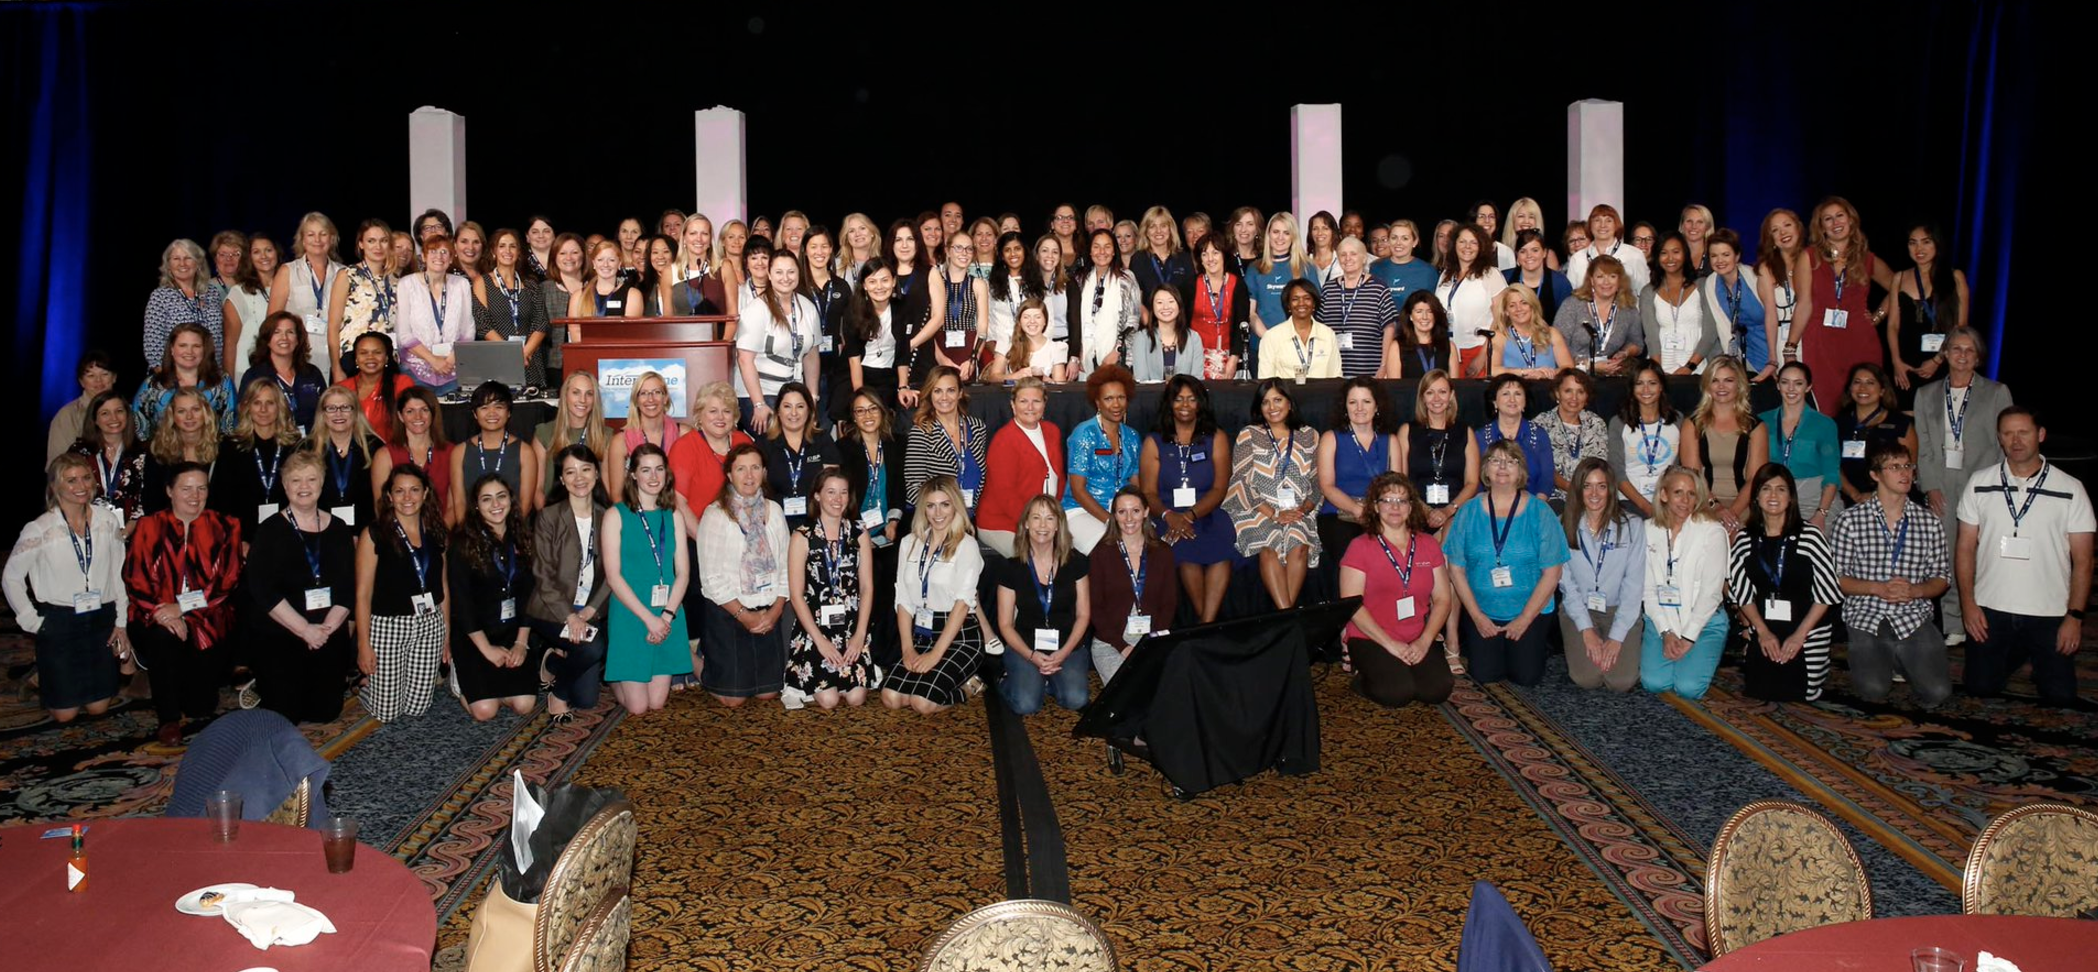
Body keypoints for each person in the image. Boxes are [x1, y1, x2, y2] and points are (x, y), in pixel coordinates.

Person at [1955, 407, 2094, 707]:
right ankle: (2019, 650)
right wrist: (1968, 604)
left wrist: (2075, 617)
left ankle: (2032, 650)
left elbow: (2084, 561)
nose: (2016, 440)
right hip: (1991, 607)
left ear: (2040, 435)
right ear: (1999, 439)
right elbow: (1965, 548)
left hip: (2050, 612)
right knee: (1980, 688)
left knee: (2060, 696)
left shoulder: (2071, 489)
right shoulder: (1979, 482)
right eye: (2008, 433)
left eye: (2023, 432)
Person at [3, 455, 131, 723]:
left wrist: (121, 622)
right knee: (65, 715)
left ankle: (48, 680)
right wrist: (33, 622)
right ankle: (40, 679)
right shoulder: (39, 528)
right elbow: (11, 577)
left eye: (85, 478)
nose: (81, 485)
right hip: (59, 620)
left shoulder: (107, 521)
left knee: (98, 709)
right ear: (55, 486)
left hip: (101, 618)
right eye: (71, 480)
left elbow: (118, 574)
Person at [124, 462, 242, 744]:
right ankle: (168, 719)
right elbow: (135, 578)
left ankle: (182, 684)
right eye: (186, 488)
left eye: (201, 488)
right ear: (169, 491)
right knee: (163, 638)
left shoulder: (227, 526)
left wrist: (183, 609)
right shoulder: (149, 526)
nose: (195, 495)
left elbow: (228, 580)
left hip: (208, 617)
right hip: (155, 615)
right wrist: (164, 613)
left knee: (200, 706)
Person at [1832, 440, 1954, 707]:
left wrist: (1916, 591)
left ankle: (1901, 655)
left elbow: (1942, 577)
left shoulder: (1929, 522)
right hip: (1866, 615)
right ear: (1875, 475)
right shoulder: (1850, 520)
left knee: (1938, 693)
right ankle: (1892, 656)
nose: (1905, 473)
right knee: (1874, 690)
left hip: (1913, 615)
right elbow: (1836, 580)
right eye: (1895, 467)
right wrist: (1877, 588)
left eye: (1908, 466)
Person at [244, 452, 355, 723]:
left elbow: (348, 585)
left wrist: (324, 631)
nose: (304, 487)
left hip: (327, 631)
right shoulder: (269, 531)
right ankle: (264, 682)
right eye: (296, 480)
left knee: (324, 713)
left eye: (311, 479)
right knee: (284, 716)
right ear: (285, 485)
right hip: (281, 632)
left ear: (322, 483)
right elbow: (263, 591)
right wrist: (304, 630)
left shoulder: (339, 529)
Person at [1914, 328, 2009, 643]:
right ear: (1946, 354)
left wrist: (1996, 484)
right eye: (1956, 349)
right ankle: (1954, 623)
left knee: (1984, 551)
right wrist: (1929, 486)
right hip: (1942, 482)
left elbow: (2003, 442)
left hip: (1983, 482)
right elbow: (1924, 445)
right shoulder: (1926, 394)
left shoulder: (1996, 392)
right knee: (1949, 551)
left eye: (1970, 350)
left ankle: (1990, 614)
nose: (1963, 355)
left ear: (1978, 357)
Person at [1445, 441, 1567, 686]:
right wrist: (1477, 616)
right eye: (1495, 460)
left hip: (1530, 611)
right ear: (1486, 470)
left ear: (1521, 470)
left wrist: (1524, 619)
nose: (1502, 467)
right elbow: (1456, 569)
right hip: (1483, 612)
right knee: (1485, 675)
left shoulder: (1540, 512)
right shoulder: (1468, 512)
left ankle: (1534, 643)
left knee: (1526, 677)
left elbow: (1552, 574)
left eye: (1511, 461)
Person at [1728, 464, 1843, 702]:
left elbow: (1827, 594)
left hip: (1807, 626)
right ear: (1756, 497)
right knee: (1760, 690)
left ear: (1791, 497)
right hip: (1764, 625)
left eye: (1781, 489)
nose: (1773, 496)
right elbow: (1742, 593)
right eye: (1766, 489)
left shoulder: (1811, 536)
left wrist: (1799, 635)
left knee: (1804, 692)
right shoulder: (1744, 539)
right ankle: (1753, 646)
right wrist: (1761, 631)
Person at [1339, 472, 1456, 707]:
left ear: (1411, 507)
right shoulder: (1359, 547)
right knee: (1397, 693)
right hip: (1371, 636)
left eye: (1402, 501)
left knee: (1437, 691)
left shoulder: (1428, 544)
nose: (1395, 507)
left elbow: (1443, 599)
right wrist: (1390, 644)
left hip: (1416, 633)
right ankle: (1361, 678)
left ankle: (1400, 665)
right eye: (1387, 500)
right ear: (1375, 506)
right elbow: (1352, 605)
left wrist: (1425, 641)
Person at [604, 443, 694, 713]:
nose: (654, 477)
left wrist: (666, 617)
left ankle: (625, 672)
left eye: (659, 469)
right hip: (632, 612)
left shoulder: (674, 514)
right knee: (638, 708)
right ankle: (613, 678)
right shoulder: (615, 515)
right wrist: (649, 620)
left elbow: (683, 573)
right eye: (645, 470)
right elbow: (613, 577)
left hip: (667, 612)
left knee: (657, 703)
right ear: (633, 475)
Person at [355, 463, 448, 723]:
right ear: (389, 496)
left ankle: (389, 682)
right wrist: (364, 644)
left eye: (414, 490)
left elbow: (444, 587)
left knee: (418, 708)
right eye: (400, 491)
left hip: (430, 624)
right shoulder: (374, 534)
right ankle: (365, 687)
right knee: (387, 713)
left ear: (426, 493)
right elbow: (363, 594)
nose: (407, 498)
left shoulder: (437, 531)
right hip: (388, 625)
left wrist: (446, 633)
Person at [444, 474, 540, 721]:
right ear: (476, 505)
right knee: (485, 712)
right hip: (475, 636)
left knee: (524, 704)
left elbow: (531, 595)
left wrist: (521, 642)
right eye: (487, 499)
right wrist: (486, 649)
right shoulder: (462, 544)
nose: (496, 505)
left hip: (512, 633)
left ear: (511, 499)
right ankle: (459, 677)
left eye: (501, 496)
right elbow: (461, 605)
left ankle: (492, 687)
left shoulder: (524, 537)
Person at [1140, 375, 1235, 624]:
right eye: (1179, 399)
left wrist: (1190, 516)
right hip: (1166, 514)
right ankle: (1209, 626)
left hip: (1207, 511)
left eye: (1192, 399)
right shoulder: (1154, 441)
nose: (1185, 405)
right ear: (1169, 403)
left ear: (1200, 403)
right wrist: (1171, 516)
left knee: (1221, 554)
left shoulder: (1217, 437)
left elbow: (1219, 488)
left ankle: (1206, 624)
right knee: (1184, 553)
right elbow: (1148, 493)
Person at [887, 474, 985, 713]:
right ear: (923, 509)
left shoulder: (966, 545)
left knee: (921, 703)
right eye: (931, 506)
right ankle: (936, 677)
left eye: (945, 504)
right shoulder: (909, 543)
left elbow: (963, 604)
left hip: (959, 636)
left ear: (955, 506)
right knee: (892, 698)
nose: (937, 513)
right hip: (922, 633)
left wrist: (935, 655)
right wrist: (908, 648)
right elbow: (903, 600)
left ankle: (969, 686)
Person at [528, 445, 612, 723]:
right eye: (570, 472)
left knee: (586, 700)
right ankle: (558, 693)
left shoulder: (608, 517)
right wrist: (570, 617)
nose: (579, 477)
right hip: (552, 610)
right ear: (562, 479)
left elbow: (613, 574)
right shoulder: (549, 517)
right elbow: (543, 576)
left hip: (588, 609)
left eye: (586, 469)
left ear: (597, 474)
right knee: (593, 648)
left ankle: (553, 662)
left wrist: (588, 613)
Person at [781, 468, 877, 709]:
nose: (838, 499)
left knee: (856, 699)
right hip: (814, 629)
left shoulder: (859, 533)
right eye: (831, 492)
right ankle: (800, 678)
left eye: (843, 492)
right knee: (829, 700)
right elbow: (796, 595)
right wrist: (821, 642)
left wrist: (859, 635)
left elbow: (867, 588)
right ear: (816, 496)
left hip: (851, 627)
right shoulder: (802, 536)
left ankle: (861, 667)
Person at [1794, 197, 1899, 410]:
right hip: (1820, 342)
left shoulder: (1867, 259)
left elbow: (1898, 286)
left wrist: (1878, 316)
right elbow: (1803, 303)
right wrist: (1790, 345)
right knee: (1825, 405)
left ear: (1851, 220)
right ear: (1821, 227)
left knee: (1863, 404)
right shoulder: (1810, 256)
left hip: (1859, 340)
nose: (1835, 223)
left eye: (1839, 216)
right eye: (1828, 219)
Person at [1225, 379, 1322, 611]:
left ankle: (1283, 618)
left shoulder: (1309, 435)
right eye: (1265, 402)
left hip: (1298, 509)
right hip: (1256, 509)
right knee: (1268, 547)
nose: (1272, 407)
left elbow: (1318, 482)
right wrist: (1274, 514)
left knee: (1299, 546)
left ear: (1289, 403)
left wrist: (1302, 510)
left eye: (1277, 399)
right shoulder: (1248, 434)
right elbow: (1240, 480)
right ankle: (1288, 617)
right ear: (1259, 408)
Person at [1637, 465, 1729, 699]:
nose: (1685, 500)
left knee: (1688, 688)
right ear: (1664, 495)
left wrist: (1688, 637)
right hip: (1662, 620)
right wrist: (1667, 632)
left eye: (1691, 493)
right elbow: (1648, 589)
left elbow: (1711, 593)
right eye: (1678, 492)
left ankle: (1702, 650)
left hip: (1704, 622)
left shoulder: (1712, 532)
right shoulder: (1647, 530)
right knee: (1654, 683)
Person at [996, 495, 1093, 715]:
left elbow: (1083, 615)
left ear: (1058, 525)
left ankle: (1045, 681)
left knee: (1076, 699)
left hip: (1067, 644)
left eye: (1050, 519)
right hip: (1026, 645)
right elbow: (1005, 625)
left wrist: (1063, 652)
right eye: (1036, 517)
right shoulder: (1011, 567)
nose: (1042, 525)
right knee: (1026, 705)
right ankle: (1009, 679)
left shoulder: (1076, 561)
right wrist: (1032, 656)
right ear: (1026, 524)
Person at [1556, 458, 1644, 691]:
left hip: (1620, 610)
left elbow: (1633, 586)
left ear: (1610, 490)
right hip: (1580, 609)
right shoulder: (1563, 525)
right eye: (1587, 486)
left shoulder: (1633, 526)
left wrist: (1616, 638)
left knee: (1620, 682)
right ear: (1578, 490)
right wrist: (1586, 629)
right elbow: (1567, 585)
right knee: (1588, 678)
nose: (1594, 493)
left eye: (1601, 486)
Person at [1317, 377, 1401, 607]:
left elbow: (1397, 486)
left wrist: (1376, 512)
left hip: (1382, 512)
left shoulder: (1390, 440)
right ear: (1345, 407)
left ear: (1377, 406)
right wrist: (1356, 509)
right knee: (1352, 553)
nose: (1360, 408)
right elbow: (1327, 485)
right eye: (1353, 402)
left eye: (1366, 401)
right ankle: (1349, 622)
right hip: (1339, 513)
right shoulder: (1331, 438)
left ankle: (1389, 615)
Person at [1087, 488, 1177, 685]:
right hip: (1111, 643)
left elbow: (1169, 602)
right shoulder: (1100, 554)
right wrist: (1123, 647)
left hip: (1150, 639)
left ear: (1145, 512)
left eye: (1135, 511)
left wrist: (1153, 641)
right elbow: (1095, 607)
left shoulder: (1163, 553)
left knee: (1164, 687)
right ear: (1114, 515)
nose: (1129, 518)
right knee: (1128, 689)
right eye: (1122, 512)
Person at [1884, 223, 1971, 411]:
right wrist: (1896, 361)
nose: (1919, 249)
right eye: (1913, 243)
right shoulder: (1899, 278)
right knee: (1907, 417)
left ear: (1937, 244)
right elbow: (1892, 326)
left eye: (1926, 242)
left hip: (1943, 359)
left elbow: (1960, 326)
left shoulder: (1954, 277)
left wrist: (1937, 360)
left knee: (1939, 417)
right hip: (1906, 363)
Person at [736, 248, 823, 433]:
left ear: (799, 273)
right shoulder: (757, 309)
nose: (786, 277)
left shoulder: (807, 308)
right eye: (779, 272)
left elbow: (812, 355)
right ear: (769, 274)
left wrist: (812, 397)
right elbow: (744, 359)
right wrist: (758, 403)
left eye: (791, 272)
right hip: (761, 392)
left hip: (794, 393)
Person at [977, 377, 1064, 557]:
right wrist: (1034, 525)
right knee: (1036, 558)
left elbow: (1059, 477)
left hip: (1043, 520)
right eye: (1023, 401)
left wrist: (1055, 519)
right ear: (1013, 405)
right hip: (1002, 522)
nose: (1030, 407)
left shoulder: (1052, 431)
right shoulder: (1004, 440)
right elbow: (1005, 495)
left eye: (1036, 401)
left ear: (1044, 404)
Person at [1681, 356, 1768, 532]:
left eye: (1728, 380)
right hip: (1703, 502)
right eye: (1715, 381)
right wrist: (1717, 508)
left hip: (1743, 506)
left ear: (1740, 385)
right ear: (1707, 385)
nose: (1721, 387)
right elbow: (1694, 476)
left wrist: (1733, 514)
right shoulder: (1693, 425)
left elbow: (1755, 479)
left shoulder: (1756, 428)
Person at [1061, 365, 1139, 554]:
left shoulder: (1132, 436)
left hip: (1122, 512)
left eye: (1121, 397)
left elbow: (1135, 485)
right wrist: (1110, 521)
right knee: (1111, 550)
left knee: (1150, 546)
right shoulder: (1084, 434)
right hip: (1081, 511)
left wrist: (1135, 517)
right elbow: (1078, 490)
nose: (1116, 404)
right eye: (1109, 398)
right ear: (1097, 402)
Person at [208, 380, 299, 540]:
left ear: (280, 407)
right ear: (247, 407)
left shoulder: (294, 447)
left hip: (287, 535)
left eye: (269, 403)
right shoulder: (231, 447)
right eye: (257, 403)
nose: (263, 409)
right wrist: (237, 540)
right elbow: (220, 501)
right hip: (242, 537)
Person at [1760, 361, 1841, 527]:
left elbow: (1832, 474)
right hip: (1772, 497)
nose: (1791, 389)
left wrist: (1822, 513)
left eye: (1798, 383)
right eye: (1785, 382)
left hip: (1815, 499)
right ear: (1777, 385)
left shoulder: (1824, 424)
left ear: (1808, 387)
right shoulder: (1762, 421)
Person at [1607, 359, 1689, 518]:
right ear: (1632, 388)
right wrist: (1646, 507)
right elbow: (1616, 472)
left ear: (1661, 386)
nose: (1646, 389)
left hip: (1670, 500)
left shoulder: (1678, 420)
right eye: (1639, 383)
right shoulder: (1618, 423)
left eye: (1652, 383)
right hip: (1630, 502)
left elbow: (1681, 467)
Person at [902, 367, 988, 514]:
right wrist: (941, 513)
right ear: (930, 394)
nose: (944, 397)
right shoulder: (921, 432)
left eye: (951, 390)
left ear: (960, 393)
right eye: (937, 391)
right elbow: (913, 487)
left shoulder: (977, 427)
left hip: (970, 516)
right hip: (935, 519)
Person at [449, 380, 539, 521]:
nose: (492, 413)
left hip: (513, 533)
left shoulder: (525, 452)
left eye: (498, 407)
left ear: (508, 412)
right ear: (474, 414)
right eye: (484, 407)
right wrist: (469, 536)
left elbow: (525, 504)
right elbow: (459, 503)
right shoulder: (459, 452)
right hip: (473, 535)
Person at [758, 381, 841, 532]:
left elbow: (832, 487)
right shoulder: (765, 444)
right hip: (775, 524)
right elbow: (757, 487)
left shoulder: (822, 440)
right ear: (778, 411)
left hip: (817, 522)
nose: (794, 413)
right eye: (787, 406)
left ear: (809, 410)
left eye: (800, 406)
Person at [475, 227, 551, 389]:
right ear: (494, 251)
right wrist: (510, 354)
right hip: (497, 359)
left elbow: (541, 322)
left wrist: (523, 354)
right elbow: (482, 325)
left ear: (519, 253)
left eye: (513, 246)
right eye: (502, 246)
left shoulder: (531, 284)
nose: (507, 250)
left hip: (528, 360)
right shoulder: (482, 282)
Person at [323, 220, 399, 381]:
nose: (378, 247)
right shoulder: (347, 275)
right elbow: (333, 326)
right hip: (353, 358)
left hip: (386, 359)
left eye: (383, 241)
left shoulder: (395, 280)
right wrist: (336, 368)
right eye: (371, 241)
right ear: (361, 244)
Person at [132, 323, 238, 437]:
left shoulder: (222, 383)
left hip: (213, 452)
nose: (189, 352)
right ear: (172, 349)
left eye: (196, 346)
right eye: (183, 345)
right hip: (164, 452)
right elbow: (140, 431)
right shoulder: (152, 385)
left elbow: (230, 429)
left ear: (205, 350)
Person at [370, 386, 455, 526]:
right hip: (399, 538)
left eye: (424, 410)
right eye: (410, 411)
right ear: (400, 416)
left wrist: (438, 538)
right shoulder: (384, 456)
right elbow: (382, 507)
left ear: (433, 414)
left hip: (443, 535)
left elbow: (454, 506)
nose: (418, 417)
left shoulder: (452, 452)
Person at [1834, 363, 1917, 506]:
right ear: (1850, 388)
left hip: (1892, 499)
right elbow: (1832, 466)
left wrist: (1877, 496)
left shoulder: (1901, 424)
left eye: (1870, 383)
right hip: (1847, 499)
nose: (1862, 388)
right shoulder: (1837, 424)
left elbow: (1909, 468)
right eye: (1857, 382)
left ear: (1882, 390)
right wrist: (1855, 494)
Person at [1319, 237, 1399, 378]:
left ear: (1364, 258)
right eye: (1343, 254)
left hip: (1370, 372)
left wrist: (1384, 366)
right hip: (1333, 373)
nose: (1347, 258)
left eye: (1353, 254)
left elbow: (1390, 328)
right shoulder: (1328, 288)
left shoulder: (1379, 288)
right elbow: (1319, 328)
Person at [303, 385, 380, 530]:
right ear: (323, 414)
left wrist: (363, 535)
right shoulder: (307, 449)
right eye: (331, 408)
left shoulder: (375, 447)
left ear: (356, 412)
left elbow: (381, 500)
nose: (338, 414)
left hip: (366, 531)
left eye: (345, 407)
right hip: (318, 530)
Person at [237, 311, 328, 434]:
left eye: (290, 332)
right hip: (272, 446)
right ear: (267, 340)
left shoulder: (312, 373)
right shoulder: (254, 376)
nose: (284, 338)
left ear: (298, 339)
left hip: (312, 445)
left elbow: (326, 411)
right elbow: (244, 417)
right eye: (277, 332)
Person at [70, 390, 149, 531]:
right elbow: (67, 492)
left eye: (119, 411)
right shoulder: (78, 452)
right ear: (94, 419)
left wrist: (126, 533)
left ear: (128, 415)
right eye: (105, 413)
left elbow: (148, 498)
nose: (114, 418)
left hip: (133, 533)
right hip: (86, 531)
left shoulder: (143, 452)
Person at [1555, 254, 1645, 376]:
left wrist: (1625, 352)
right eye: (1600, 276)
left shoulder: (1628, 309)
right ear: (1591, 280)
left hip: (1611, 376)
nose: (1606, 282)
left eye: (1612, 276)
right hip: (1574, 374)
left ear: (1619, 280)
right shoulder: (1572, 305)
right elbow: (1557, 345)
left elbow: (1637, 343)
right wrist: (1589, 365)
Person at [1640, 233, 1717, 376]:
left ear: (1685, 254)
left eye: (1676, 252)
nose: (1670, 258)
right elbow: (1651, 337)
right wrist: (1658, 373)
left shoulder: (1703, 285)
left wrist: (1690, 367)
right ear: (1657, 257)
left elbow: (1710, 332)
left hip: (1698, 368)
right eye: (1663, 253)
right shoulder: (1648, 292)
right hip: (1661, 371)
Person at [268, 212, 344, 357]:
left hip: (335, 356)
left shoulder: (344, 273)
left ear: (332, 238)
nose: (317, 240)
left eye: (323, 234)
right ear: (302, 240)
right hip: (298, 357)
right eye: (311, 234)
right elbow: (272, 321)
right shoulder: (287, 272)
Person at [1438, 223, 1509, 377]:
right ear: (1454, 244)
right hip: (1448, 351)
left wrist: (1483, 355)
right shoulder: (1446, 274)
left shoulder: (1491, 274)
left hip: (1477, 350)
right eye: (1462, 241)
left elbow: (1502, 319)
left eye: (1473, 242)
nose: (1467, 246)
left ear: (1481, 246)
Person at [143, 239, 226, 371]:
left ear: (198, 263)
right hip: (175, 376)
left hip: (211, 373)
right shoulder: (160, 297)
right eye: (176, 258)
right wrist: (168, 380)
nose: (182, 263)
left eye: (188, 258)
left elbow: (220, 339)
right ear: (168, 265)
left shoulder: (212, 292)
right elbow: (153, 345)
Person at [1534, 368, 1610, 506]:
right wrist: (1572, 489)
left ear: (1587, 396)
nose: (1574, 397)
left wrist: (1588, 491)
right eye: (1568, 391)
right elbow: (1543, 468)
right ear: (1557, 393)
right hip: (1554, 498)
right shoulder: (1541, 424)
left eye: (1580, 392)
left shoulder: (1596, 423)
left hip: (1593, 496)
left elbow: (1601, 465)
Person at [1068, 229, 1139, 378]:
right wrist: (1077, 349)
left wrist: (1117, 351)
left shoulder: (1126, 278)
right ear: (1090, 251)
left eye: (1107, 246)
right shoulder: (1080, 279)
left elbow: (1133, 320)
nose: (1102, 251)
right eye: (1096, 246)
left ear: (1114, 251)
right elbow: (1074, 320)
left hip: (1116, 358)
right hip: (1085, 356)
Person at [139, 389, 219, 517]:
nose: (189, 416)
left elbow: (229, 499)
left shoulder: (223, 450)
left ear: (206, 413)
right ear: (172, 416)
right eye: (181, 411)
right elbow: (151, 499)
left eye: (195, 410)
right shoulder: (158, 451)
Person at [1701, 230, 1768, 377]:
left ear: (1737, 256)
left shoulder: (1754, 276)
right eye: (1714, 256)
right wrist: (1732, 364)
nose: (1720, 261)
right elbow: (1723, 328)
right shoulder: (1711, 283)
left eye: (1725, 255)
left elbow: (1773, 316)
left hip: (1771, 348)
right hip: (1741, 353)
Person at [604, 370, 679, 502]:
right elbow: (617, 496)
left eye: (657, 392)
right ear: (636, 400)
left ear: (665, 398)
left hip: (674, 511)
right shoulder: (620, 442)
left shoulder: (682, 434)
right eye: (644, 393)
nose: (651, 399)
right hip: (635, 515)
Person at [1476, 375, 1554, 500]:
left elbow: (1546, 479)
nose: (1512, 400)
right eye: (1506, 394)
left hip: (1532, 507)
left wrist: (1535, 508)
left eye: (1518, 394)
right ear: (1494, 402)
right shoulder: (1479, 437)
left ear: (1525, 402)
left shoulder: (1539, 435)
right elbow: (1476, 482)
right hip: (1490, 507)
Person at [1247, 212, 1311, 361]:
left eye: (1286, 233)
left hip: (1297, 346)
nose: (1280, 237)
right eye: (1276, 232)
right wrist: (1270, 339)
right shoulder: (1255, 268)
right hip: (1263, 346)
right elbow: (1251, 313)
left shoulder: (1306, 268)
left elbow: (1313, 309)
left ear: (1293, 236)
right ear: (1268, 234)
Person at [843, 258, 904, 411]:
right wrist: (860, 395)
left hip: (890, 375)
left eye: (885, 280)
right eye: (872, 282)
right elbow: (854, 360)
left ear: (894, 281)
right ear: (864, 285)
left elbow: (904, 352)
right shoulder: (853, 312)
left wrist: (903, 386)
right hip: (861, 374)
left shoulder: (902, 309)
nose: (879, 287)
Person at [1186, 236, 1249, 380]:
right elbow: (1182, 324)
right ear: (1200, 259)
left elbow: (1242, 323)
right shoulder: (1190, 285)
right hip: (1195, 357)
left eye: (1215, 253)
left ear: (1224, 256)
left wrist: (1233, 360)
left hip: (1229, 357)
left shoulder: (1237, 285)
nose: (1210, 258)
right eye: (1204, 254)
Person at [535, 371, 611, 488]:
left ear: (595, 399)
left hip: (594, 506)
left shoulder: (606, 436)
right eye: (576, 393)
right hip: (553, 505)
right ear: (565, 395)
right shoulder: (544, 433)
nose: (583, 400)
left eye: (589, 394)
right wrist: (548, 507)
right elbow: (537, 489)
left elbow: (608, 490)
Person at [1255, 279, 1342, 381]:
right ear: (1288, 305)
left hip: (1321, 395)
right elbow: (1266, 381)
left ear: (1314, 303)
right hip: (1286, 396)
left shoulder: (1328, 334)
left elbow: (1336, 378)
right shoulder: (1271, 336)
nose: (1301, 303)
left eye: (1307, 298)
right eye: (1295, 299)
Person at [1756, 209, 1807, 370]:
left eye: (1787, 225)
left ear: (1798, 228)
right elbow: (1770, 314)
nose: (1783, 232)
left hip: (1813, 338)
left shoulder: (1814, 261)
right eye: (1775, 230)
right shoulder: (1767, 268)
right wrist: (1772, 357)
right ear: (1770, 239)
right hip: (1781, 342)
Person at [49, 352, 119, 467]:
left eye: (104, 374)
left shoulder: (128, 412)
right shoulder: (68, 415)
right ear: (81, 381)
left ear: (114, 377)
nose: (98, 381)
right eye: (91, 376)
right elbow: (57, 465)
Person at [1488, 284, 1570, 380]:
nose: (1519, 309)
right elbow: (1492, 370)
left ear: (1532, 306)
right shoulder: (1499, 336)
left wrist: (1546, 375)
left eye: (1524, 303)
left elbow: (1568, 367)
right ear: (1506, 311)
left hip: (1547, 388)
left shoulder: (1552, 333)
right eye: (1512, 305)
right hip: (1514, 390)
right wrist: (1524, 372)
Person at [221, 232, 276, 377]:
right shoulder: (238, 293)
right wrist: (229, 385)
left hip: (282, 371)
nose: (264, 256)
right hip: (247, 372)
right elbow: (230, 343)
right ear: (249, 258)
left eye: (268, 250)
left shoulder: (290, 287)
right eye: (256, 252)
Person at [1126, 284, 1204, 384]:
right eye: (1159, 302)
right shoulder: (1142, 338)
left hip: (1185, 398)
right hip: (1151, 397)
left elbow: (1197, 380)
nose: (1165, 307)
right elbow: (1142, 380)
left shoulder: (1193, 338)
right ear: (1152, 308)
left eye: (1171, 301)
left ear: (1179, 305)